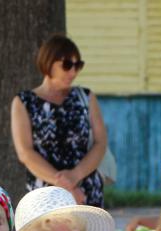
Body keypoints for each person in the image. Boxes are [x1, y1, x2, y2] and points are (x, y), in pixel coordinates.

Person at [11, 34, 107, 207]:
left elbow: (100, 143)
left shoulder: (86, 97)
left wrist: (75, 175)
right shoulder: (24, 102)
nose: (73, 72)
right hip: (44, 196)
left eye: (78, 65)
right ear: (48, 62)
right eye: (67, 65)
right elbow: (25, 152)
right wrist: (64, 184)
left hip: (85, 191)